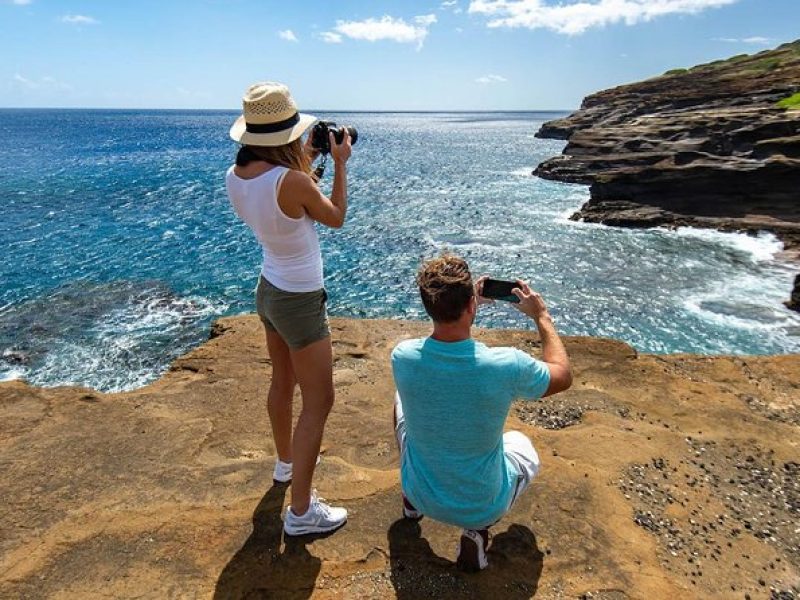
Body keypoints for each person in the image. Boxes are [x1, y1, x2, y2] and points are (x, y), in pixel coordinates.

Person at [391, 254, 572, 571]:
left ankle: (410, 503)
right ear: (471, 306)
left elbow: (437, 344)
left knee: (400, 401)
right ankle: (476, 531)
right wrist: (541, 315)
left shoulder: (402, 356)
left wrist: (465, 302)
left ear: (427, 306)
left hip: (420, 491)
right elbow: (562, 374)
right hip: (480, 504)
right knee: (521, 444)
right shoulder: (505, 365)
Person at [225, 82, 351, 536]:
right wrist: (338, 163)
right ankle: (301, 513)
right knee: (319, 400)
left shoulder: (236, 177)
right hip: (299, 299)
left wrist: (310, 161)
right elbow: (334, 216)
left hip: (269, 288)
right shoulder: (293, 181)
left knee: (282, 382)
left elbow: (287, 197)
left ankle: (285, 465)